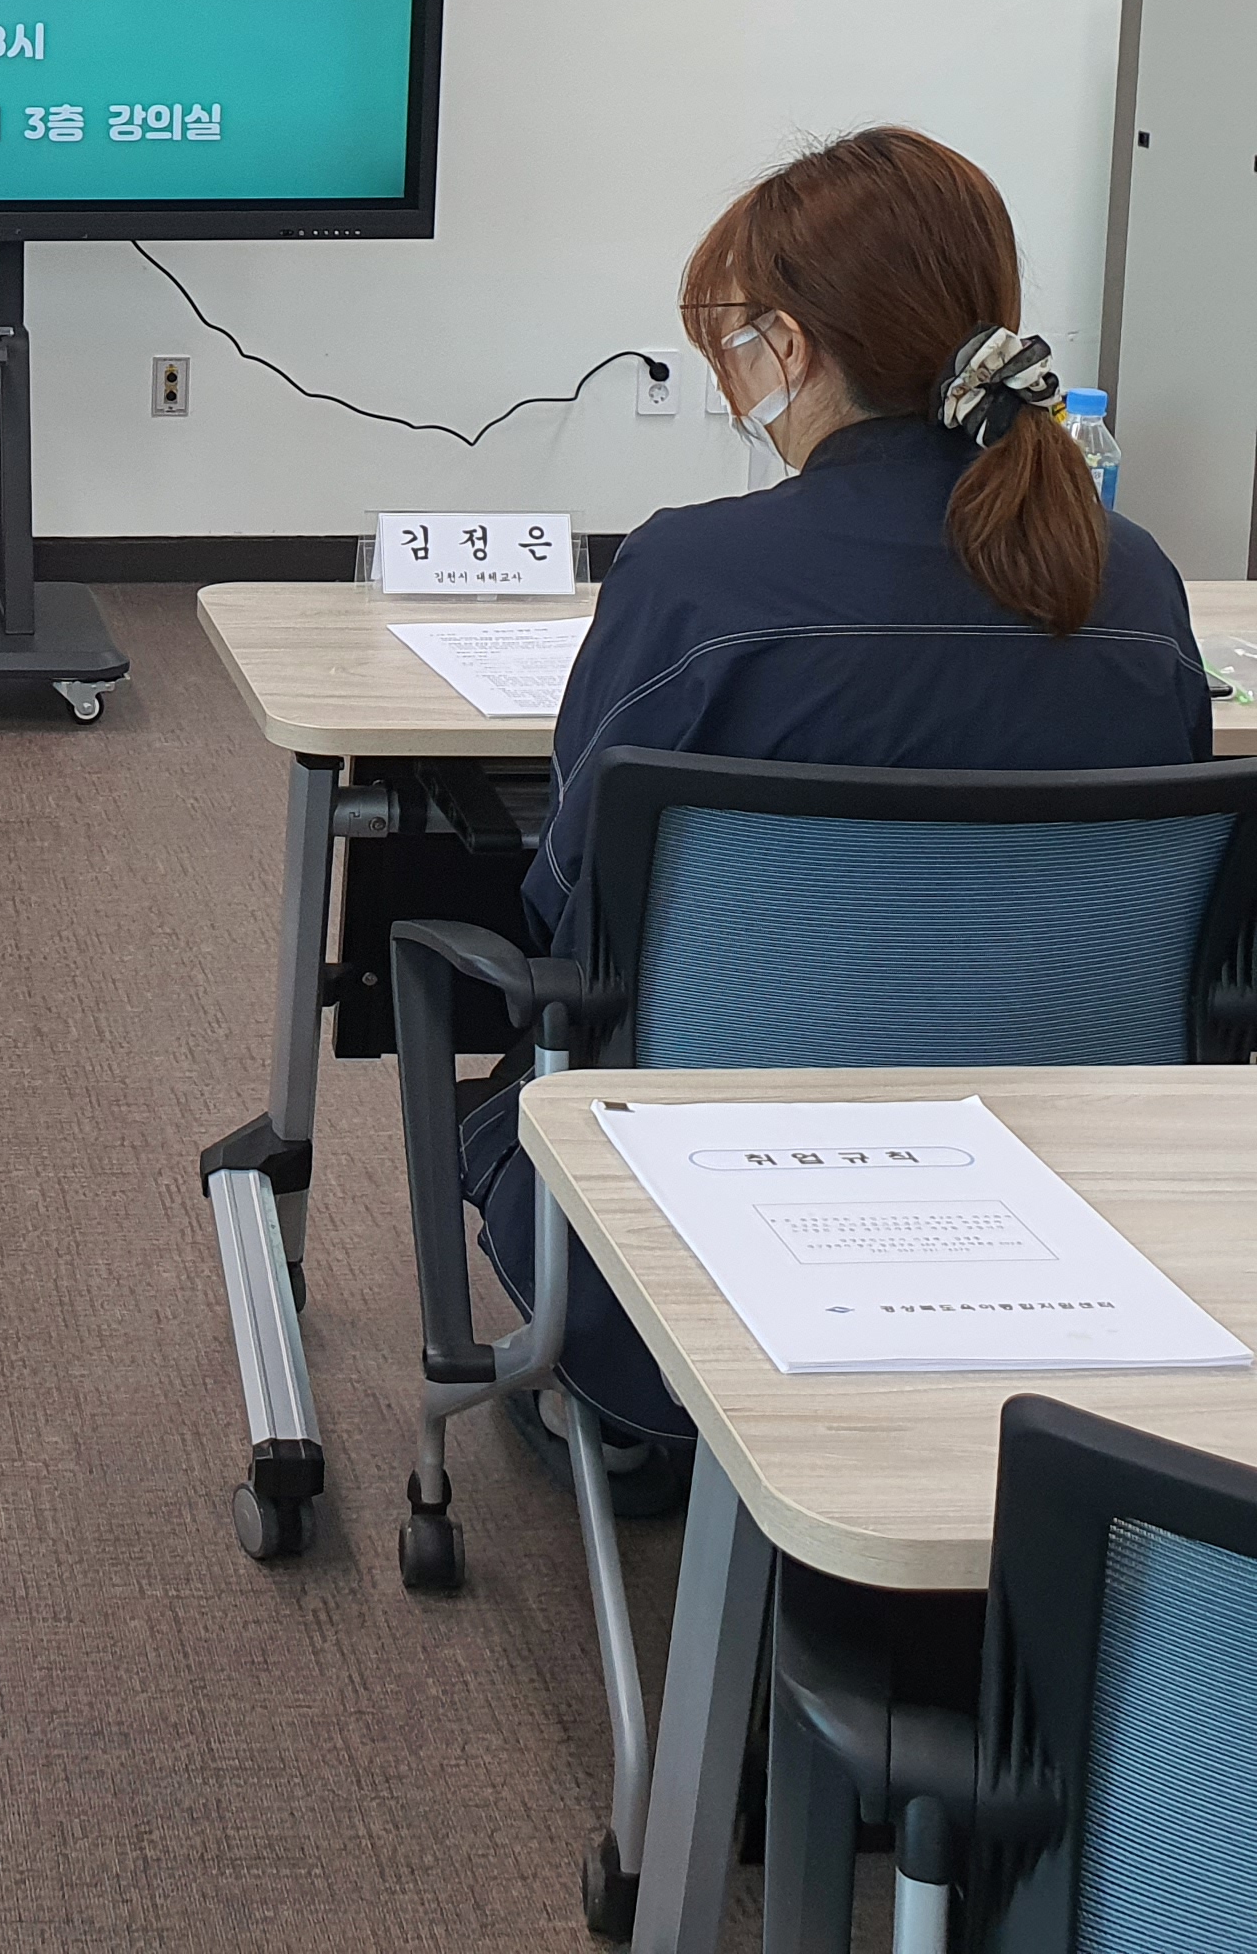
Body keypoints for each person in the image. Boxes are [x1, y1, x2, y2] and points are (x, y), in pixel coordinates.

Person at [473, 127, 1211, 1507]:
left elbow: (570, 904)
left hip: (710, 1216)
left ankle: (636, 1431)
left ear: (793, 346)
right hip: (1080, 1210)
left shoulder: (696, 576)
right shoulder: (1133, 585)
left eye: (734, 342)